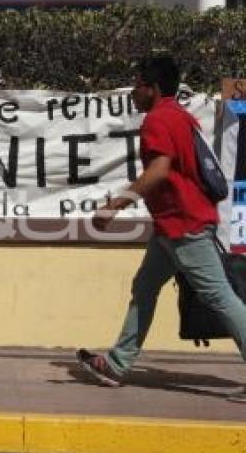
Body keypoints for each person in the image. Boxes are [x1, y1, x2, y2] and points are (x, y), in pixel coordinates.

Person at [77, 54, 246, 402]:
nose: (133, 90)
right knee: (145, 287)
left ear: (152, 88)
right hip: (172, 225)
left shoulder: (158, 120)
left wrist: (114, 205)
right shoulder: (179, 115)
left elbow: (159, 171)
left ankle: (119, 362)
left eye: (138, 83)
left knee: (220, 296)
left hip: (184, 225)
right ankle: (118, 363)